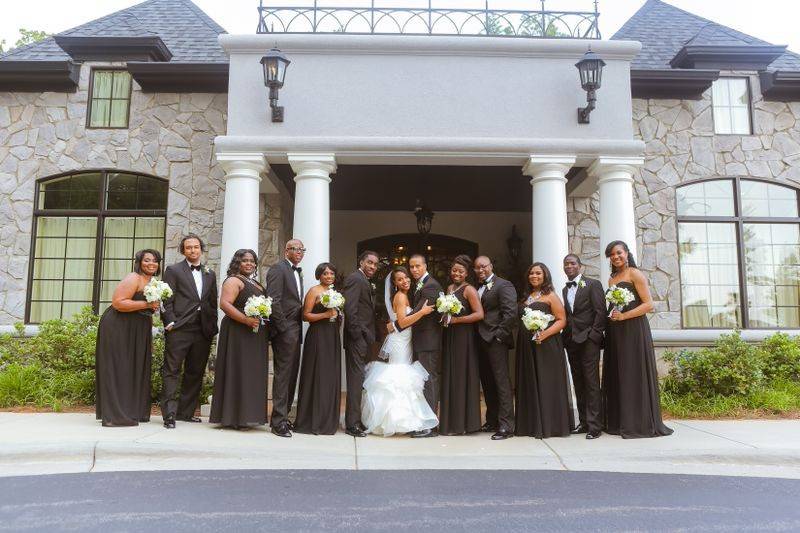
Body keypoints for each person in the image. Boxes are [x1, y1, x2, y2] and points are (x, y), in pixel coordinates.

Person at [603, 240, 673, 439]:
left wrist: (625, 316)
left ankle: (638, 422)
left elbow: (649, 304)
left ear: (626, 253)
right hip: (616, 331)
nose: (616, 257)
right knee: (620, 371)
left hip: (633, 329)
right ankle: (621, 421)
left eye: (619, 253)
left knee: (633, 371)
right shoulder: (612, 279)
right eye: (612, 255)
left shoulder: (635, 273)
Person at [362, 267, 438, 436]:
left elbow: (395, 322)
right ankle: (395, 420)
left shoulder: (403, 296)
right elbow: (403, 322)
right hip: (400, 342)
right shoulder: (401, 296)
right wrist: (423, 312)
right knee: (399, 375)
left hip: (403, 340)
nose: (405, 281)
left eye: (407, 278)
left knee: (402, 374)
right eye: (400, 279)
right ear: (395, 283)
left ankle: (400, 419)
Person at [95, 249, 162, 427]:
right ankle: (116, 415)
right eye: (147, 260)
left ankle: (133, 411)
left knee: (134, 366)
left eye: (155, 261)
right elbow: (118, 302)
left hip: (138, 328)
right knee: (120, 367)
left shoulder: (153, 282)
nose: (151, 263)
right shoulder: (134, 277)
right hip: (119, 326)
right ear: (139, 262)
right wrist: (147, 304)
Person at [160, 235, 218, 429]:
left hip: (202, 329)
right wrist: (169, 321)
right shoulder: (173, 270)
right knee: (172, 370)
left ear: (201, 249)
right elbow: (166, 298)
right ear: (183, 251)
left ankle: (185, 413)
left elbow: (211, 301)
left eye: (196, 247)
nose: (193, 250)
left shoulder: (210, 273)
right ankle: (169, 415)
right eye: (188, 248)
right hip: (180, 328)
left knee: (195, 372)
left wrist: (212, 325)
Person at [209, 249, 269, 429]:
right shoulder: (234, 280)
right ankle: (234, 417)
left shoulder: (255, 282)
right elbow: (225, 304)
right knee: (238, 370)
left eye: (252, 261)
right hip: (238, 331)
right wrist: (245, 320)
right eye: (245, 261)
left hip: (255, 333)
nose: (249, 264)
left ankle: (248, 414)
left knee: (251, 373)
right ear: (238, 262)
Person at [515, 262, 573, 439]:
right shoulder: (526, 297)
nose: (534, 276)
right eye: (531, 273)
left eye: (538, 273)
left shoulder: (551, 296)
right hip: (527, 345)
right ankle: (530, 424)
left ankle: (550, 425)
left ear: (545, 275)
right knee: (530, 381)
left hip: (546, 345)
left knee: (546, 382)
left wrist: (545, 334)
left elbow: (562, 320)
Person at [294, 263, 343, 435]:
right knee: (317, 374)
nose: (329, 276)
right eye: (325, 273)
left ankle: (327, 420)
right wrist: (325, 315)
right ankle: (312, 421)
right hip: (318, 336)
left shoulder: (334, 293)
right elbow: (305, 315)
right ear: (319, 275)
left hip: (332, 336)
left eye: (331, 273)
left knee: (329, 376)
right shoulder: (314, 291)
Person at [561, 254, 606, 440]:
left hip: (588, 341)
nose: (569, 266)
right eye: (566, 264)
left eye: (572, 263)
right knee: (578, 382)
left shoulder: (593, 284)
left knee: (591, 382)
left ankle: (595, 425)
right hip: (571, 341)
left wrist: (594, 336)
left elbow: (600, 311)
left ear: (580, 266)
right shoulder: (565, 289)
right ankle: (584, 422)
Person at [473, 255, 517, 441]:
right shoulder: (476, 288)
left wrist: (499, 336)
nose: (480, 270)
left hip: (495, 340)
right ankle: (492, 420)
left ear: (491, 266)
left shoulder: (503, 285)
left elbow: (510, 313)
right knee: (487, 383)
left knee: (501, 382)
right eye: (477, 268)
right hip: (480, 340)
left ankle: (506, 425)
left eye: (483, 266)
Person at [439, 255, 484, 436]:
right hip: (450, 336)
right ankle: (450, 422)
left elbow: (479, 314)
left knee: (461, 377)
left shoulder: (469, 290)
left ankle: (464, 424)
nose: (456, 273)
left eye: (460, 271)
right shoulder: (449, 288)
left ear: (466, 274)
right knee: (451, 376)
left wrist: (457, 320)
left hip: (464, 339)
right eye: (454, 270)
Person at [265, 239, 305, 438]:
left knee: (291, 375)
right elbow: (274, 300)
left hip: (296, 329)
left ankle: (284, 416)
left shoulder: (297, 271)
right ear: (286, 250)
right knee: (283, 376)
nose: (299, 252)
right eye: (295, 249)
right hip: (285, 329)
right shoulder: (278, 269)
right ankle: (277, 422)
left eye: (301, 249)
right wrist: (282, 328)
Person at [342, 250, 379, 438]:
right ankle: (352, 424)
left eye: (375, 264)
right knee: (356, 381)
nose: (373, 266)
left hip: (364, 338)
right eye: (370, 262)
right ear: (361, 262)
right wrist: (358, 335)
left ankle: (356, 420)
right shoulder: (355, 279)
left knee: (360, 381)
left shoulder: (363, 279)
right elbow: (350, 308)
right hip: (357, 338)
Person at [407, 254, 443, 437]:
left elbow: (419, 312)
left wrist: (399, 322)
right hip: (421, 340)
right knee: (423, 381)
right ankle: (423, 421)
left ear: (425, 266)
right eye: (411, 267)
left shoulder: (431, 286)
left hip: (429, 342)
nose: (414, 270)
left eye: (417, 266)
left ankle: (431, 425)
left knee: (429, 380)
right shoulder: (420, 284)